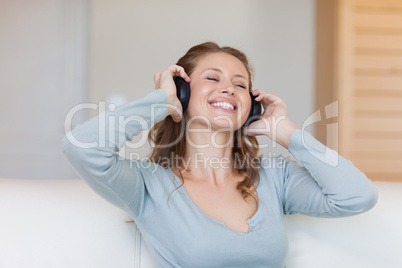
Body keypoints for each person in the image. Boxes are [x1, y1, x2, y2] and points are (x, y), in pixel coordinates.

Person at [62, 42, 378, 267]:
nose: (228, 88)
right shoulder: (148, 186)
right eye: (212, 78)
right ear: (182, 93)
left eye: (240, 85)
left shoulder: (274, 176)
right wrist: (161, 101)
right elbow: (81, 146)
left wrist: (285, 131)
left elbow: (357, 196)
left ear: (251, 108)